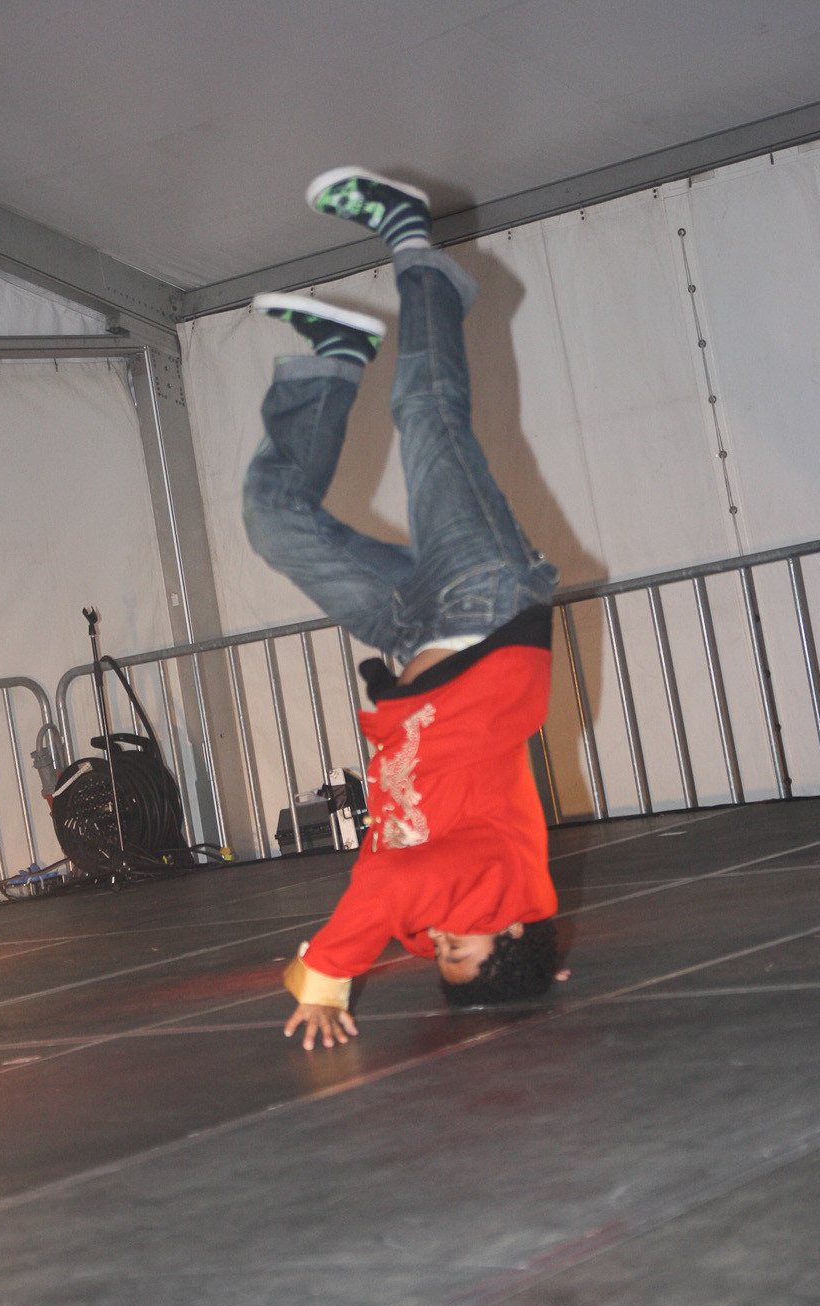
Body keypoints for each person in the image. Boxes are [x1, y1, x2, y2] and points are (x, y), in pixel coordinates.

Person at [243, 168, 561, 1050]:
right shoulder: (494, 876)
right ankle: (414, 243)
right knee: (427, 413)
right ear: (509, 924)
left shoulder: (454, 903)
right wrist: (327, 978)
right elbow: (388, 896)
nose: (443, 936)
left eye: (440, 952)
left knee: (276, 525)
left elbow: (396, 894)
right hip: (485, 607)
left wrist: (525, 970)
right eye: (464, 944)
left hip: (412, 632)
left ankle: (333, 359)